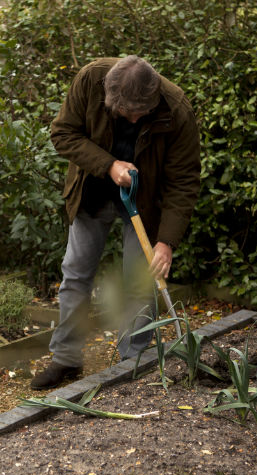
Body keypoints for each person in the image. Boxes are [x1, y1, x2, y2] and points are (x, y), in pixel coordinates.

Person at [30, 55, 201, 390]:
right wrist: (108, 165)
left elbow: (184, 181)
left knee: (140, 282)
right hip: (92, 191)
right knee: (76, 274)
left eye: (140, 113)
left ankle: (133, 359)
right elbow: (62, 133)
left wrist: (166, 242)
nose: (133, 118)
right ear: (110, 100)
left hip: (144, 203)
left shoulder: (177, 109)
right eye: (126, 113)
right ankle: (66, 358)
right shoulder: (91, 80)